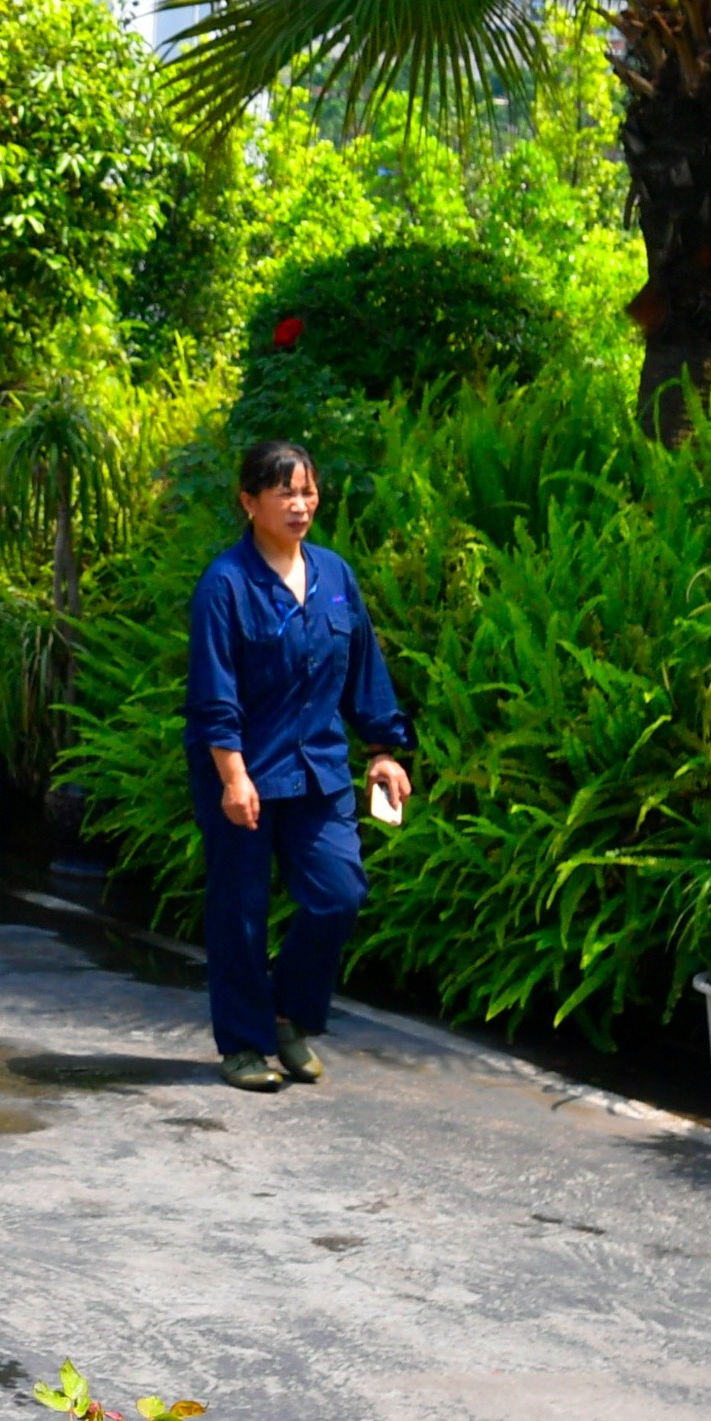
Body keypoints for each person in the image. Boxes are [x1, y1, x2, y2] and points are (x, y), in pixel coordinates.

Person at [185, 440, 415, 1091]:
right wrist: (233, 775)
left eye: (307, 491)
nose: (299, 504)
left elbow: (363, 669)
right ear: (249, 501)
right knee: (240, 910)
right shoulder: (225, 585)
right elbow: (214, 692)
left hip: (319, 773)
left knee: (339, 893)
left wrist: (382, 751)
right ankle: (243, 1044)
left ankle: (287, 1014)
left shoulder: (335, 577)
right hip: (245, 773)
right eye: (284, 492)